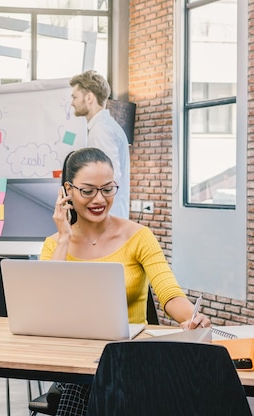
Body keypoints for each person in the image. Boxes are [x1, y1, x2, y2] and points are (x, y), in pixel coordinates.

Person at [41, 147, 210, 416]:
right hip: (74, 359)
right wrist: (63, 237)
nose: (100, 199)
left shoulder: (138, 236)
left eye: (108, 189)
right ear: (67, 191)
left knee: (98, 384)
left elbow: (169, 293)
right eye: (88, 190)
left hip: (129, 358)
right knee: (88, 383)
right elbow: (47, 306)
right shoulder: (53, 244)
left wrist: (192, 318)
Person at [69, 70, 130, 219]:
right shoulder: (105, 126)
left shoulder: (101, 129)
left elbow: (109, 177)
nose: (72, 103)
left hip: (107, 218)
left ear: (89, 97)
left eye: (75, 97)